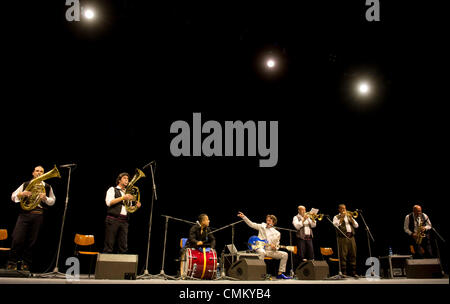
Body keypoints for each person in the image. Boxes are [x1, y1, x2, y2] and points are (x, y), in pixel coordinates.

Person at [8, 166, 56, 271]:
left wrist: (45, 198)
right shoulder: (26, 184)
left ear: (44, 174)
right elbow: (13, 196)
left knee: (32, 241)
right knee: (17, 239)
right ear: (33, 173)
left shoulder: (47, 186)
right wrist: (22, 194)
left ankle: (26, 264)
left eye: (41, 171)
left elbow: (52, 201)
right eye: (37, 171)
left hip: (38, 214)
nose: (39, 173)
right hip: (24, 214)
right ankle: (12, 262)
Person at [237, 211, 292, 279]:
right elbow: (251, 224)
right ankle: (260, 272)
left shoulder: (277, 233)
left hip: (269, 251)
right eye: (267, 220)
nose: (267, 222)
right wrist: (244, 217)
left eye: (269, 220)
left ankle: (280, 273)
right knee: (262, 252)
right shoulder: (262, 226)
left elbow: (277, 245)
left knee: (285, 254)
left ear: (273, 222)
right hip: (260, 247)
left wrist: (275, 248)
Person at [103, 172, 141, 254]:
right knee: (109, 245)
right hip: (113, 219)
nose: (127, 180)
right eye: (124, 178)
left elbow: (129, 208)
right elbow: (109, 202)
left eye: (127, 179)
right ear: (119, 180)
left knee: (123, 246)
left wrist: (136, 207)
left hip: (124, 221)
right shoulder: (112, 189)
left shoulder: (128, 193)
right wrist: (123, 197)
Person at [332, 204, 359, 277]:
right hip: (342, 238)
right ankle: (344, 273)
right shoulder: (336, 217)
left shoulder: (349, 216)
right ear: (339, 209)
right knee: (343, 255)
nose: (344, 210)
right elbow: (335, 225)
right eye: (342, 209)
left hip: (351, 237)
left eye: (345, 209)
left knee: (353, 254)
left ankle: (353, 273)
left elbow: (356, 225)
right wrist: (341, 218)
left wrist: (351, 219)